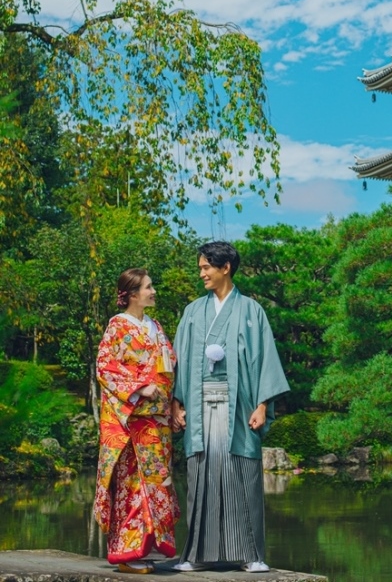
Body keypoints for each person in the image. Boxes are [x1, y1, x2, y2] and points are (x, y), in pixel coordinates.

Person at [172, 241, 290, 573]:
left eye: (206, 267)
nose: (202, 273)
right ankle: (197, 555)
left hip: (239, 406)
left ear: (225, 268)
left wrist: (263, 405)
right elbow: (178, 359)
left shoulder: (252, 311)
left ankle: (251, 554)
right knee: (202, 475)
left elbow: (265, 359)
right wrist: (176, 403)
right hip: (199, 405)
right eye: (200, 268)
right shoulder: (193, 311)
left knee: (241, 474)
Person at [94, 268, 180, 574]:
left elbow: (170, 366)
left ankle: (143, 547)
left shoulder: (154, 326)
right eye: (148, 287)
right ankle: (124, 553)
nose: (153, 291)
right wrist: (140, 386)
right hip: (130, 421)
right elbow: (105, 366)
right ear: (132, 294)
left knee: (157, 483)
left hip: (156, 418)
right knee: (131, 484)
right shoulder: (118, 326)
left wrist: (173, 404)